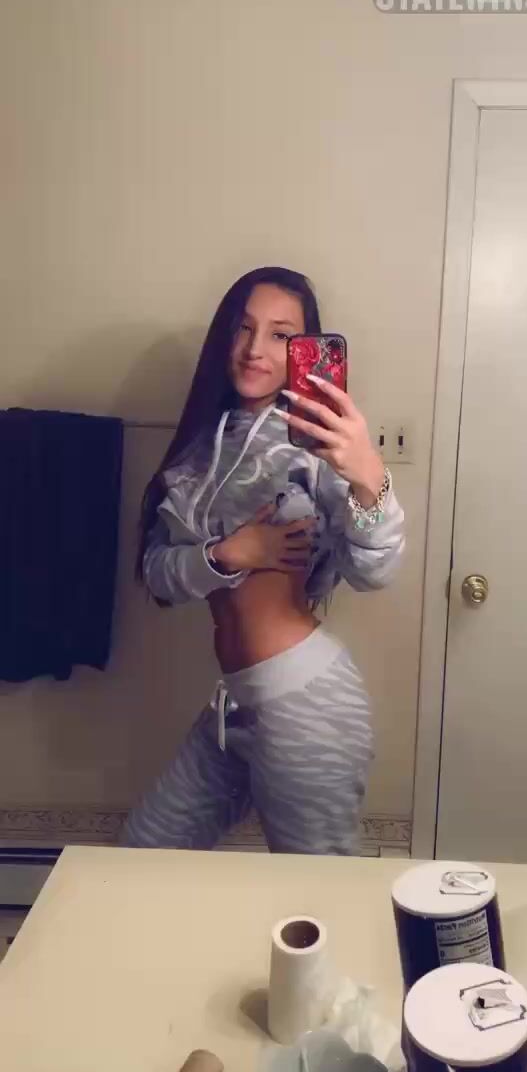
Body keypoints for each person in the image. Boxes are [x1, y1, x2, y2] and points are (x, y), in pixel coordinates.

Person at [120, 267, 405, 855]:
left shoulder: (317, 443)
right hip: (233, 705)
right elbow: (158, 575)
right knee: (143, 854)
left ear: (305, 350)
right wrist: (228, 554)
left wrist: (369, 478)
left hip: (306, 704)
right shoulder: (197, 450)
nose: (255, 349)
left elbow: (374, 571)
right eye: (243, 328)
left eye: (280, 335)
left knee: (318, 888)